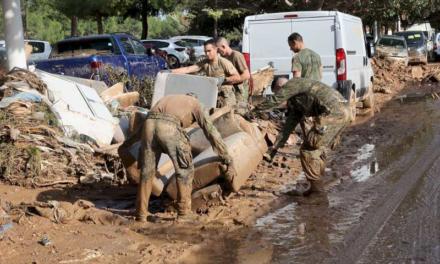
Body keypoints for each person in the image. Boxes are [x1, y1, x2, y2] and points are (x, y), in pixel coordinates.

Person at [120, 94, 237, 222]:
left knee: (147, 171)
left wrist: (126, 144)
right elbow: (211, 131)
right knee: (185, 169)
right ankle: (184, 213)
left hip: (149, 125)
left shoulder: (168, 99)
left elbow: (149, 121)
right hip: (169, 127)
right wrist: (227, 157)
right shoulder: (196, 104)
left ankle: (141, 213)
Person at [256, 77, 349, 195]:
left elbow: (273, 100)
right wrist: (274, 149)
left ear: (280, 88)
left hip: (334, 115)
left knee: (307, 150)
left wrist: (253, 111)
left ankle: (317, 191)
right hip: (344, 111)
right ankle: (316, 183)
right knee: (317, 147)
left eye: (279, 94)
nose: (282, 100)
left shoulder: (292, 85)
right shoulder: (297, 98)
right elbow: (288, 127)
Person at [172, 39, 242, 108]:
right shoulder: (205, 62)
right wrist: (171, 71)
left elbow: (237, 77)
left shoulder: (223, 62)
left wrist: (224, 79)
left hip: (226, 98)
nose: (207, 54)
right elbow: (188, 69)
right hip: (213, 95)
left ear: (216, 49)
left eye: (209, 51)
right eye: (205, 51)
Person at [215, 37, 251, 106]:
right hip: (231, 91)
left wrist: (229, 80)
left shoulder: (236, 56)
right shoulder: (223, 58)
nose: (218, 52)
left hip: (240, 91)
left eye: (218, 49)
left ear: (223, 46)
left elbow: (246, 75)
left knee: (239, 111)